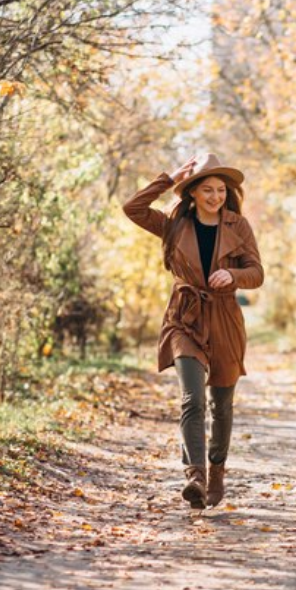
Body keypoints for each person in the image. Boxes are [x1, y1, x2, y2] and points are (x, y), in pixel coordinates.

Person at [122, 153, 264, 510]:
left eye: (221, 190)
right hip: (184, 319)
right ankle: (195, 476)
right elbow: (132, 208)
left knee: (222, 405)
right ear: (193, 193)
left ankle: (216, 469)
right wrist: (167, 178)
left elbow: (257, 272)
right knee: (193, 399)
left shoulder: (238, 226)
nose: (216, 196)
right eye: (207, 189)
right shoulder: (175, 222)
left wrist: (234, 276)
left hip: (225, 320)